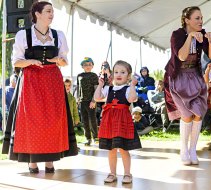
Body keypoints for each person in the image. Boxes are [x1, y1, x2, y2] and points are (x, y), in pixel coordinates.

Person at [2, 1, 78, 173]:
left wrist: (59, 60)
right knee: (32, 120)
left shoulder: (58, 35)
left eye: (52, 11)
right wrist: (30, 61)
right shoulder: (24, 34)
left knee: (53, 120)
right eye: (48, 11)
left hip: (52, 80)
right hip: (31, 80)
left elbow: (64, 61)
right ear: (37, 14)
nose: (52, 14)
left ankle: (51, 159)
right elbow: (16, 62)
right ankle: (32, 160)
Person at [164, 6, 211, 165]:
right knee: (186, 115)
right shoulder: (177, 35)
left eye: (201, 18)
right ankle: (183, 149)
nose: (201, 21)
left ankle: (193, 149)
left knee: (198, 113)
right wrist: (190, 37)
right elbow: (181, 56)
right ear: (187, 20)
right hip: (178, 79)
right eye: (197, 18)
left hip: (195, 77)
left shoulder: (203, 34)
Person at [94, 60, 142, 184]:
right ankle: (112, 173)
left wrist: (132, 85)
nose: (118, 74)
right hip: (109, 121)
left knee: (123, 148)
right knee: (111, 149)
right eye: (116, 72)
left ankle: (127, 173)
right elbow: (97, 98)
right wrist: (100, 85)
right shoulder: (108, 88)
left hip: (122, 121)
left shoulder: (127, 89)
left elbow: (131, 98)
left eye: (122, 72)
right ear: (112, 74)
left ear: (129, 75)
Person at [77, 57, 99, 146]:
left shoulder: (94, 75)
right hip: (82, 101)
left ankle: (96, 137)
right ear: (82, 66)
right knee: (84, 120)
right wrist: (78, 99)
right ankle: (88, 138)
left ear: (92, 66)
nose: (88, 66)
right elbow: (78, 88)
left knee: (92, 119)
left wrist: (94, 100)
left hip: (91, 101)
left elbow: (96, 89)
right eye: (85, 65)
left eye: (90, 64)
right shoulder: (79, 76)